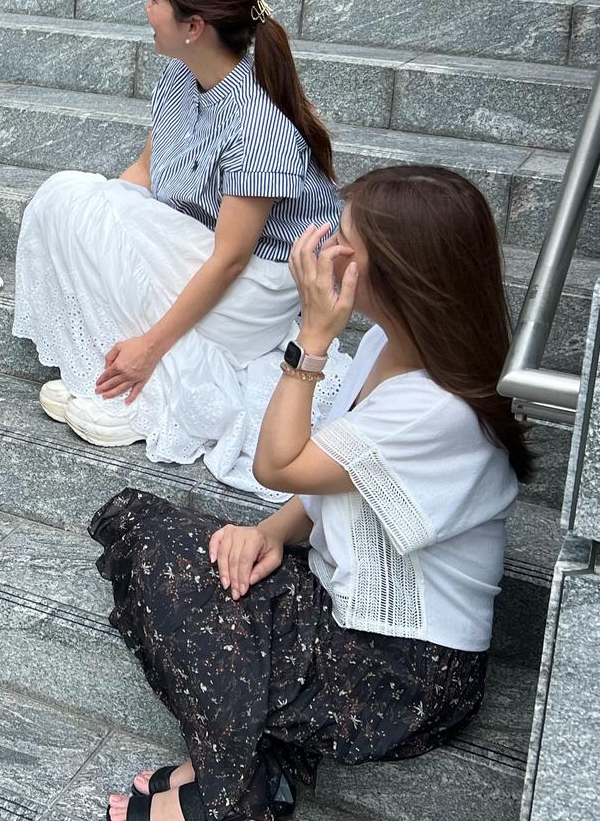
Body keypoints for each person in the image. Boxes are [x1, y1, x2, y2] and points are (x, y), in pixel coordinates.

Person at [91, 166, 535, 821]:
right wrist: (270, 532)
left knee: (177, 574)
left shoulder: (436, 407)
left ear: (401, 275)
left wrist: (313, 339)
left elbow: (278, 464)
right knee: (149, 532)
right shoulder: (386, 342)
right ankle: (251, 770)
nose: (325, 248)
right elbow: (339, 477)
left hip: (402, 675)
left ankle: (228, 792)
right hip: (345, 608)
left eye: (346, 241)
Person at [11, 0, 340, 467]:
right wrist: (96, 239)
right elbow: (143, 173)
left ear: (194, 27)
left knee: (81, 203)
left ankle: (145, 390)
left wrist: (150, 346)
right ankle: (107, 368)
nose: (147, 8)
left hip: (254, 284)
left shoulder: (259, 124)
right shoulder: (182, 74)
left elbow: (231, 258)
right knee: (69, 201)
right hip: (201, 244)